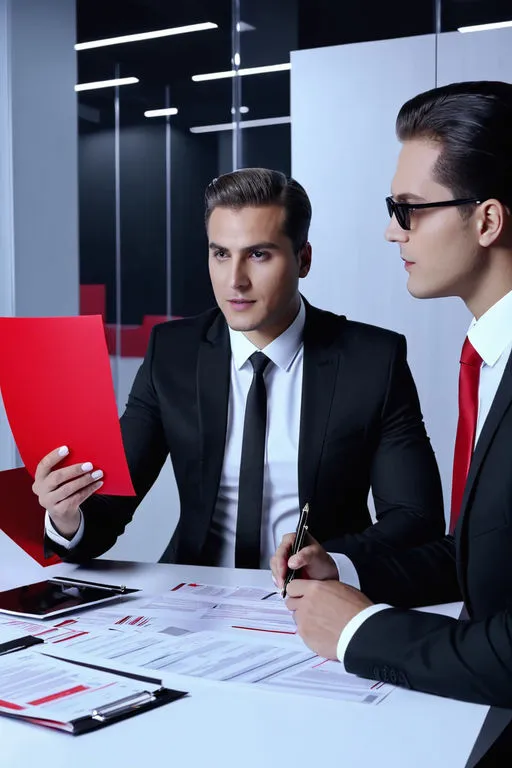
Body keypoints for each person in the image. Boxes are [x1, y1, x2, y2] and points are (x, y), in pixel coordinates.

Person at [34, 168, 443, 568]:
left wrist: (335, 562)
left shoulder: (372, 360)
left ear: (303, 259)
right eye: (221, 254)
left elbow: (415, 519)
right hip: (194, 598)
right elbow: (108, 510)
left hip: (319, 600)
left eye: (258, 254)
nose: (235, 281)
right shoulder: (173, 353)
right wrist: (67, 516)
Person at [272, 81, 512, 711]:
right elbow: (477, 556)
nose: (391, 231)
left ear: (486, 220)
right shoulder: (489, 358)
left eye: (410, 208)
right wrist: (346, 574)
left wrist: (358, 630)